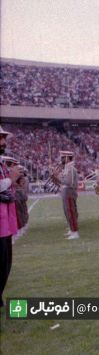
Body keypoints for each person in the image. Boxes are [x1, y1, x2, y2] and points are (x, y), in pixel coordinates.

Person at [0, 126, 21, 308]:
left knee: (6, 262)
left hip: (4, 220)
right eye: (1, 138)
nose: (3, 143)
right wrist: (11, 179)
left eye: (4, 139)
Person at [59, 151, 80, 240]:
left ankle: (75, 232)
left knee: (71, 212)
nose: (61, 159)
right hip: (66, 192)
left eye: (63, 157)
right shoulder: (67, 168)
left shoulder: (70, 168)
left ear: (67, 158)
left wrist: (58, 178)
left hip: (69, 192)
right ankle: (72, 230)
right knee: (67, 212)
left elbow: (69, 182)